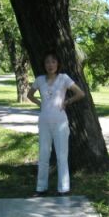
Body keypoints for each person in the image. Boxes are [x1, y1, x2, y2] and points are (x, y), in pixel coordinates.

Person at [27, 51, 85, 196]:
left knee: (61, 155)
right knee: (43, 155)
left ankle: (64, 189)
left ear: (58, 63)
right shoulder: (39, 80)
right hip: (44, 122)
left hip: (60, 122)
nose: (50, 65)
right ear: (44, 65)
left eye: (53, 61)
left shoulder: (64, 78)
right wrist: (41, 103)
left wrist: (67, 102)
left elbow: (80, 93)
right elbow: (30, 95)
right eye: (47, 62)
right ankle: (41, 188)